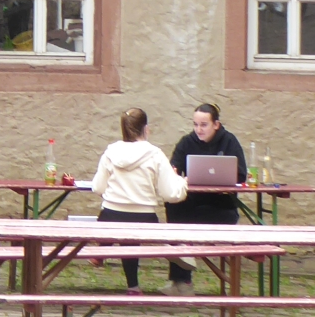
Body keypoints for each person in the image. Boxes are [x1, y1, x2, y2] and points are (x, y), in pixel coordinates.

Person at [87, 107, 187, 293]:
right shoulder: (155, 154)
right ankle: (135, 283)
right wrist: (183, 183)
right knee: (131, 236)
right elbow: (171, 194)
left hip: (110, 215)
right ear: (146, 129)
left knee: (119, 227)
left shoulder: (111, 152)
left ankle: (105, 254)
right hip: (144, 217)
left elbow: (98, 187)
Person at [164, 102, 248, 295]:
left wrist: (223, 180)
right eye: (195, 124)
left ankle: (181, 279)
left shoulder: (229, 141)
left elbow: (241, 174)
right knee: (173, 204)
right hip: (192, 204)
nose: (198, 129)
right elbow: (173, 169)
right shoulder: (186, 142)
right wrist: (177, 175)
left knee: (181, 226)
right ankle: (181, 281)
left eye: (203, 125)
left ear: (215, 125)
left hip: (221, 207)